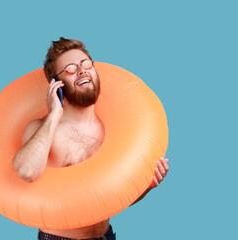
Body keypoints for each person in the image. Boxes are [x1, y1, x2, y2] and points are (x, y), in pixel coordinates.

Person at [13, 37, 169, 240]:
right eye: (70, 69)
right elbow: (26, 171)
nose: (81, 70)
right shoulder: (42, 129)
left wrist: (145, 187)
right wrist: (53, 114)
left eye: (86, 64)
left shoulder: (112, 132)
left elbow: (109, 200)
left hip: (105, 236)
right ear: (56, 84)